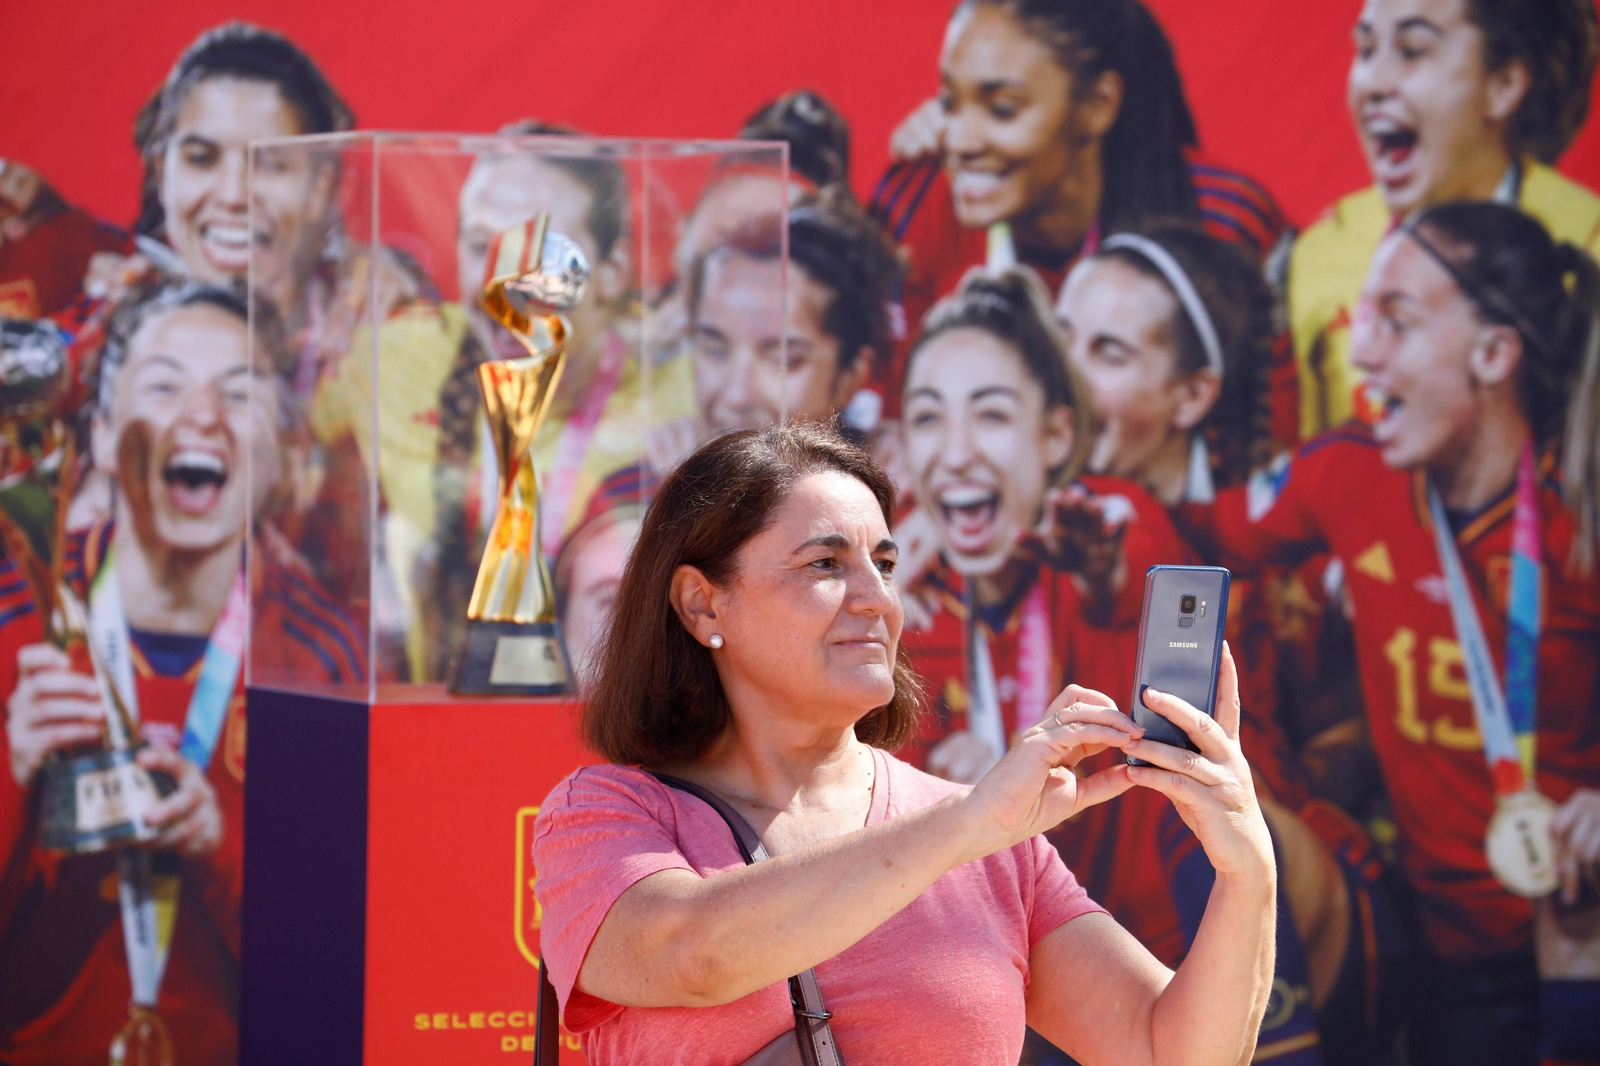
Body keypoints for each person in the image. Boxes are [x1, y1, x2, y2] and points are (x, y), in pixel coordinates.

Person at [532, 419, 1277, 1064]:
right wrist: (969, 826)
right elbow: (693, 955)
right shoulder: (605, 814)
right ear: (701, 604)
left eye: (883, 564)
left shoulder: (992, 837)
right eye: (825, 565)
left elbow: (1169, 1050)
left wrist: (1247, 870)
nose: (878, 599)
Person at [1185, 201, 1600, 1066]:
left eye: (1397, 321)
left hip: (1579, 932)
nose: (1363, 350)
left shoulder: (1578, 516)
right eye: (1363, 317)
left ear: (1494, 354)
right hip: (1440, 953)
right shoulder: (1348, 473)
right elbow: (1195, 533)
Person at [1057, 223, 1409, 1062]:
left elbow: (1349, 735)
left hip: (1292, 913)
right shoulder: (995, 536)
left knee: (1204, 816)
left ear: (1191, 395)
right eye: (1058, 340)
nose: (1065, 377)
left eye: (1104, 352)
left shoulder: (1281, 559)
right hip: (1097, 949)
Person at [0, 282, 362, 1064]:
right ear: (98, 434)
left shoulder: (321, 658)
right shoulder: (16, 616)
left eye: (237, 393)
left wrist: (223, 845)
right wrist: (11, 772)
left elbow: (338, 962)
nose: (202, 416)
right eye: (165, 385)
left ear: (280, 452)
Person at [871, 0, 1290, 424]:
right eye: (950, 102)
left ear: (1097, 105)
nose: (960, 141)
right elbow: (866, 423)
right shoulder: (915, 203)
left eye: (1002, 109)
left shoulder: (1223, 223)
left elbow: (1267, 452)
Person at [420, 120, 696, 682]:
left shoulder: (680, 395)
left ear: (614, 271)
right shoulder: (401, 356)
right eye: (481, 246)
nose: (501, 286)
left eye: (538, 253)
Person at [1289, 0, 1600, 438]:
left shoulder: (1587, 241)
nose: (1374, 82)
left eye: (1413, 50)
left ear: (1503, 85)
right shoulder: (1323, 250)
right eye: (1365, 49)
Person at [684, 190, 898, 441]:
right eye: (714, 349)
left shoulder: (892, 478)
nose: (736, 396)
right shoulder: (652, 475)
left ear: (849, 380)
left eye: (783, 361)